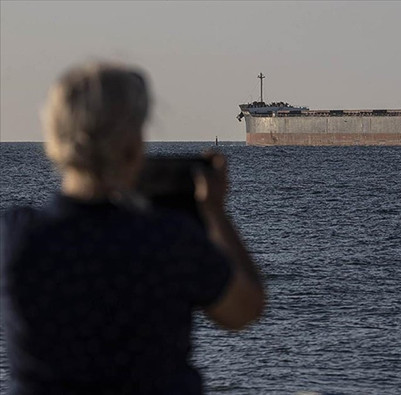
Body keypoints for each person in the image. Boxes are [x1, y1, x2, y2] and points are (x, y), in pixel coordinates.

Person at [0, 62, 266, 394]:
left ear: (54, 135)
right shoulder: (170, 240)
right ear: (132, 145)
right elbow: (245, 309)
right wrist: (215, 213)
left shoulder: (14, 237)